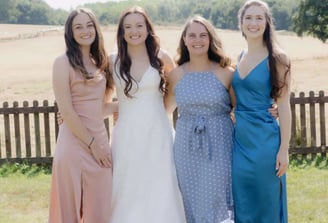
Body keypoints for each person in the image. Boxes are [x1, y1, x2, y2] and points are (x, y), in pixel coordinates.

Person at [109, 6, 185, 223]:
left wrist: (162, 112)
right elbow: (98, 99)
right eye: (128, 27)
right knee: (127, 185)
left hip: (158, 132)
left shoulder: (162, 57)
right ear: (122, 32)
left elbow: (176, 90)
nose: (134, 31)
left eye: (139, 25)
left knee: (162, 184)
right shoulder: (112, 60)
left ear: (147, 28)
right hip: (126, 134)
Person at [165, 15, 235, 223]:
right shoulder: (176, 75)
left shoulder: (226, 73)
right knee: (190, 198)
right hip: (186, 147)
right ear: (184, 40)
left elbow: (242, 108)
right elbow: (163, 110)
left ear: (210, 39)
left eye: (203, 35)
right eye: (192, 35)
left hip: (220, 143)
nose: (198, 40)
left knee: (218, 196)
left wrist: (272, 109)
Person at [48, 8, 116, 223]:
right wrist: (92, 144)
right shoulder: (62, 62)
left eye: (89, 25)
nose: (85, 30)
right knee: (69, 212)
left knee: (101, 208)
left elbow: (98, 109)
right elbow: (67, 111)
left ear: (96, 29)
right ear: (70, 32)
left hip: (100, 143)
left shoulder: (101, 63)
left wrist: (124, 108)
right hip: (74, 144)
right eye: (78, 26)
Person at [231, 0, 291, 222]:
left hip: (266, 142)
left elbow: (284, 105)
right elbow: (235, 96)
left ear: (267, 23)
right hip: (240, 143)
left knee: (267, 202)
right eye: (248, 18)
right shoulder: (239, 56)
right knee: (243, 203)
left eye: (259, 18)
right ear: (241, 23)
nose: (253, 23)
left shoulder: (278, 58)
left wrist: (284, 149)